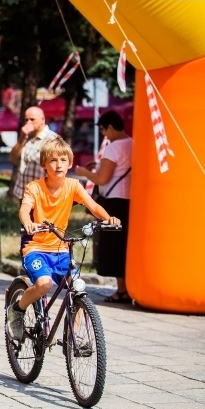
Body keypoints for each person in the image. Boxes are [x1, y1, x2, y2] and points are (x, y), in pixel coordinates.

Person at [6, 137, 120, 339]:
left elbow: (93, 206)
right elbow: (24, 210)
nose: (58, 164)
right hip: (36, 247)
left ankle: (74, 337)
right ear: (44, 164)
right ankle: (17, 309)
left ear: (70, 163)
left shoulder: (73, 186)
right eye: (53, 160)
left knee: (77, 287)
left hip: (61, 249)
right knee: (44, 284)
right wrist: (28, 223)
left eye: (63, 160)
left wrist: (108, 218)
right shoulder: (34, 187)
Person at [74, 111, 132, 303]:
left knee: (113, 246)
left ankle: (121, 289)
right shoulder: (133, 142)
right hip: (130, 199)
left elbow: (102, 178)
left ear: (110, 127)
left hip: (114, 200)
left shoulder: (113, 147)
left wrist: (83, 171)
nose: (104, 135)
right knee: (124, 245)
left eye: (104, 131)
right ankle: (128, 288)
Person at [9, 106, 58, 200]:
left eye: (32, 119)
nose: (28, 123)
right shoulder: (27, 138)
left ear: (42, 119)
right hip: (24, 193)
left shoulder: (52, 139)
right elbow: (13, 159)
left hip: (42, 195)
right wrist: (21, 139)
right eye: (26, 120)